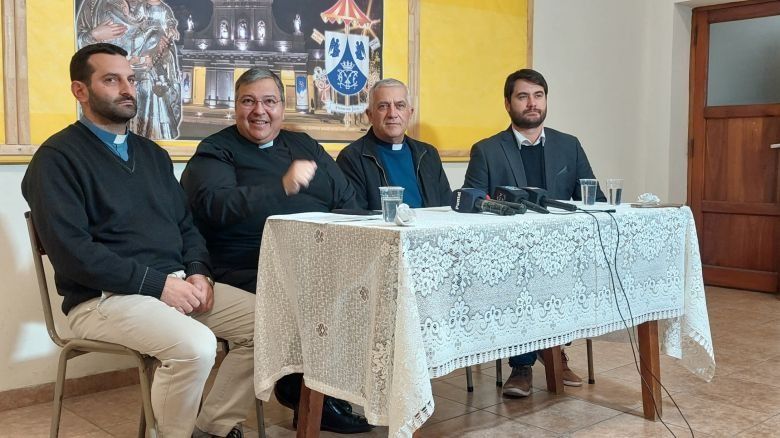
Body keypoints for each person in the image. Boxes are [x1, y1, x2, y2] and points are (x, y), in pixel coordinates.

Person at [21, 43, 255, 438]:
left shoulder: (152, 155)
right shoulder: (56, 159)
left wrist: (200, 273)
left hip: (174, 286)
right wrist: (158, 285)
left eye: (131, 79)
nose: (127, 89)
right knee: (196, 346)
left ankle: (212, 427)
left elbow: (186, 227)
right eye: (111, 80)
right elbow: (72, 254)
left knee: (271, 324)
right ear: (80, 91)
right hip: (102, 299)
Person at [180, 68, 371, 434]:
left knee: (365, 293)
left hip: (315, 263)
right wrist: (280, 187)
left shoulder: (304, 146)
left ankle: (317, 396)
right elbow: (214, 206)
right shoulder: (216, 151)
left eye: (269, 101)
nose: (259, 111)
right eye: (248, 101)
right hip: (245, 267)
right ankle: (301, 394)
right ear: (235, 107)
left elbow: (346, 199)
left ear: (282, 107)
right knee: (306, 303)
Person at [463, 68, 605, 398]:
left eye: (538, 96)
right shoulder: (487, 150)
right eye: (523, 96)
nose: (532, 104)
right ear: (508, 103)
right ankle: (523, 365)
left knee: (575, 276)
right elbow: (472, 201)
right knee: (521, 280)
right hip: (509, 254)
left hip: (561, 251)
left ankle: (554, 350)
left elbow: (592, 196)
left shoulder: (569, 146)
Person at [336, 78, 451, 210]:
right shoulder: (352, 158)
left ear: (410, 113)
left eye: (400, 106)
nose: (392, 114)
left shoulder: (429, 154)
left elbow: (446, 208)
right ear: (370, 115)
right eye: (383, 106)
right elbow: (357, 217)